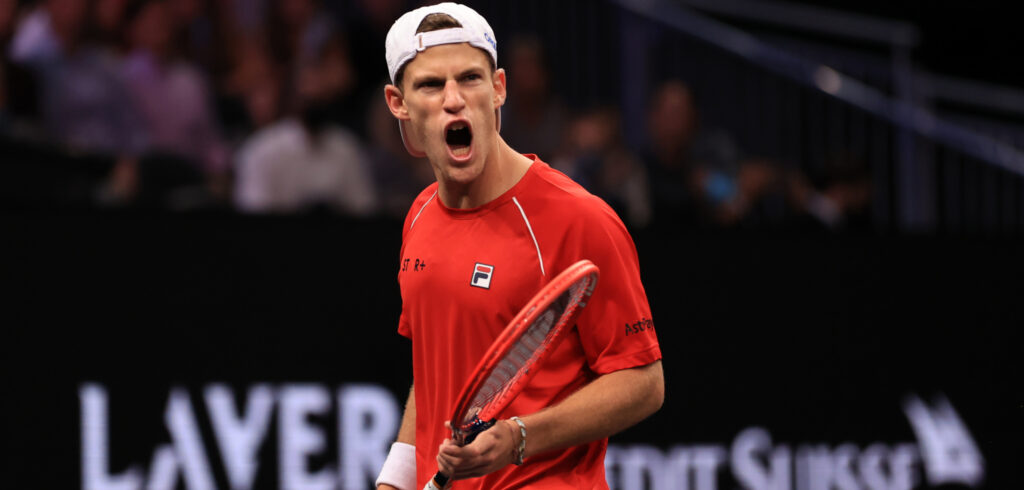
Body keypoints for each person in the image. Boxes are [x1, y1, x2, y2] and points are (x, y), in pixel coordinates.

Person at [375, 4, 664, 489]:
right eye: (430, 85)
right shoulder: (420, 215)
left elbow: (643, 383)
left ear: (499, 89)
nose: (454, 100)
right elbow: (435, 373)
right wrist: (394, 481)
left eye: (470, 78)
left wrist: (519, 437)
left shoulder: (580, 218)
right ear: (397, 102)